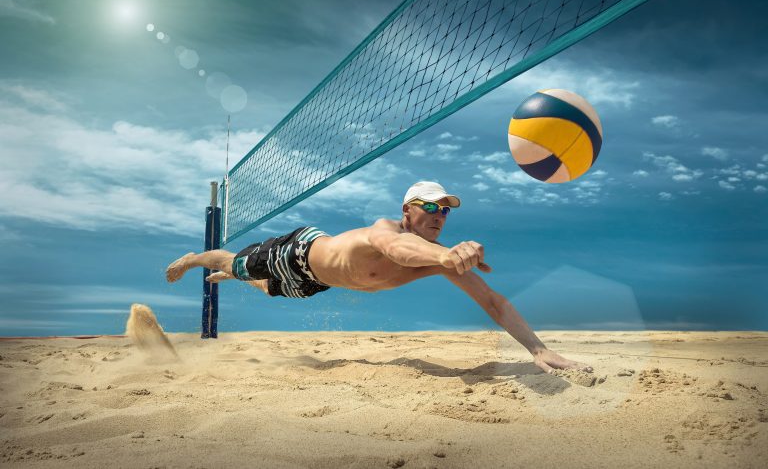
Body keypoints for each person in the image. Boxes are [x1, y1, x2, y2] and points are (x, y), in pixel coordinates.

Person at [166, 181, 592, 374]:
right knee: (235, 263)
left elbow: (494, 302)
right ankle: (195, 259)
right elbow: (396, 250)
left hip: (318, 281)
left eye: (446, 210)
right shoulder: (385, 229)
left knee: (263, 288)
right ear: (407, 211)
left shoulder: (440, 258)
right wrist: (447, 257)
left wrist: (538, 351)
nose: (440, 215)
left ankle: (233, 275)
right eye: (432, 206)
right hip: (299, 251)